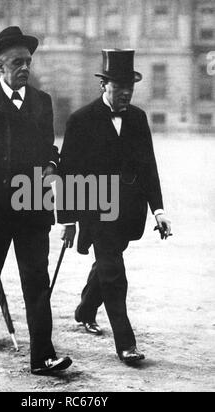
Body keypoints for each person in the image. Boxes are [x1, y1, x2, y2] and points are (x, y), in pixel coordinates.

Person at [0, 26, 72, 375]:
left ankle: (43, 356)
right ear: (0, 66)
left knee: (36, 279)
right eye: (17, 62)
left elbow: (49, 149)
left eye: (28, 62)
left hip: (33, 207)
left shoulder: (42, 102)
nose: (25, 68)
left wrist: (52, 164)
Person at [59, 49, 171, 364]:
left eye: (130, 88)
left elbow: (149, 167)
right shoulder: (80, 120)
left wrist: (159, 211)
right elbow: (68, 172)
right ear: (103, 85)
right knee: (114, 272)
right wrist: (67, 219)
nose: (125, 93)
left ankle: (84, 310)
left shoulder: (137, 118)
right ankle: (126, 344)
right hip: (95, 208)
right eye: (119, 87)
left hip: (129, 213)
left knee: (109, 263)